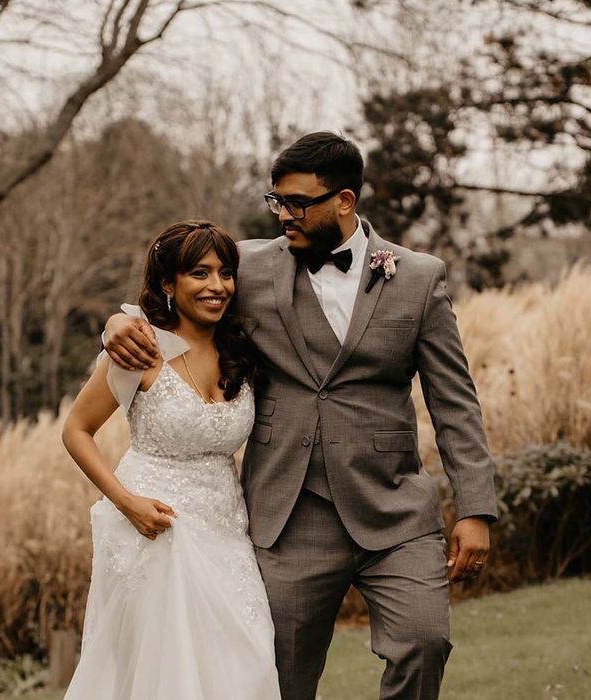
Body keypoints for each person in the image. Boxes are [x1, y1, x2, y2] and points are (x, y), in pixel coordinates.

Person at [104, 132, 498, 700]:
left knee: (424, 641)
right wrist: (116, 324)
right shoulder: (250, 268)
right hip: (289, 513)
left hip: (394, 510)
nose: (283, 213)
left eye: (297, 202)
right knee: (277, 677)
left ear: (344, 201)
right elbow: (177, 300)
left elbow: (455, 400)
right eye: (276, 202)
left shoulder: (417, 277)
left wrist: (476, 507)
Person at [62, 220, 281, 699]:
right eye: (199, 273)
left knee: (248, 664)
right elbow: (76, 430)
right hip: (152, 528)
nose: (217, 286)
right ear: (168, 283)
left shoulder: (241, 349)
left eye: (225, 273)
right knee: (168, 673)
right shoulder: (138, 348)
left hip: (227, 528)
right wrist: (126, 503)